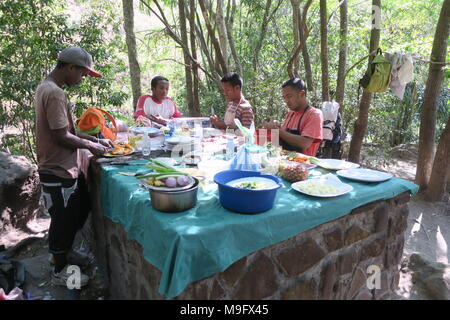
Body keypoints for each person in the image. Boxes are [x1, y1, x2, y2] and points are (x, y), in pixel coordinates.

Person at [35, 46, 114, 287]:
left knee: (80, 208)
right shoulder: (55, 93)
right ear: (70, 67)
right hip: (57, 168)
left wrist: (94, 139)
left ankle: (64, 251)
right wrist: (94, 148)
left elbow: (67, 131)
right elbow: (61, 137)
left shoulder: (46, 87)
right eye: (82, 74)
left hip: (64, 167)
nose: (82, 79)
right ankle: (60, 271)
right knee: (64, 220)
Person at [263, 78, 323, 156]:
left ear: (301, 94)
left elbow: (305, 143)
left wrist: (277, 130)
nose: (286, 101)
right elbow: (283, 139)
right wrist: (273, 128)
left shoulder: (314, 114)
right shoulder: (290, 114)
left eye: (289, 96)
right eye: (284, 97)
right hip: (285, 162)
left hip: (303, 165)